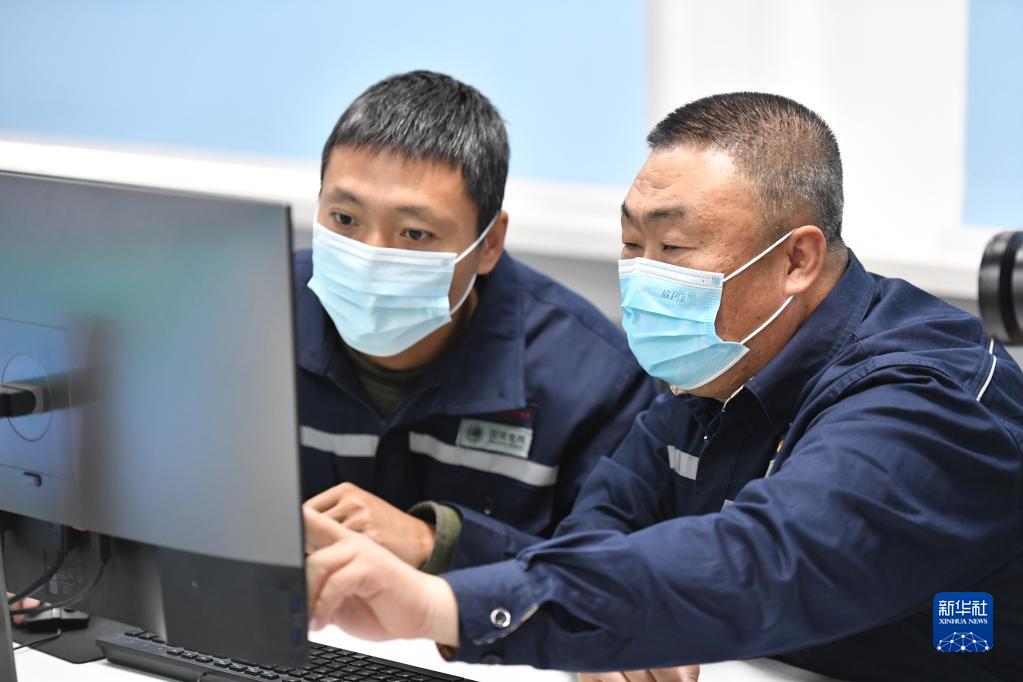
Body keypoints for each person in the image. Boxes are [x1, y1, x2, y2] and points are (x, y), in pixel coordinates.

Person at [302, 92, 1023, 682]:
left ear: (797, 260)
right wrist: (612, 629)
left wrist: (445, 606)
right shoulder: (714, 364)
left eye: (673, 247)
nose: (644, 275)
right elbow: (604, 524)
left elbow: (766, 559)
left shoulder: (925, 395)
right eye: (630, 243)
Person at [296, 70, 658, 573]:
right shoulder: (250, 312)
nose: (369, 255)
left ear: (489, 244)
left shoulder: (596, 380)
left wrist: (435, 541)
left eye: (414, 233)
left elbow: (612, 573)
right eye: (344, 219)